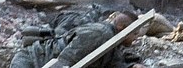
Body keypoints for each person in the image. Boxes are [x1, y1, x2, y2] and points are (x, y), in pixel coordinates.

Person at [10, 11, 145, 68]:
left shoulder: (112, 42)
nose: (136, 38)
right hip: (31, 61)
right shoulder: (100, 34)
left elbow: (113, 64)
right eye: (135, 34)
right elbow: (65, 60)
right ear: (122, 28)